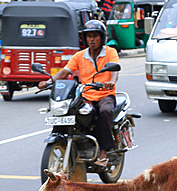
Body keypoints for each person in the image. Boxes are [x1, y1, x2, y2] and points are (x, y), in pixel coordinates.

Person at [37, 19, 119, 166]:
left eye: (95, 36)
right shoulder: (80, 55)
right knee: (72, 112)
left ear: (102, 37)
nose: (92, 40)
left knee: (105, 111)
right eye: (89, 36)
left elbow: (114, 71)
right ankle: (74, 142)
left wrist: (111, 82)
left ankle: (104, 152)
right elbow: (64, 72)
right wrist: (48, 82)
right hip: (86, 95)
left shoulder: (110, 53)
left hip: (104, 94)